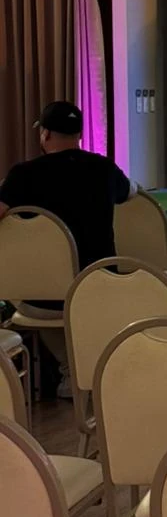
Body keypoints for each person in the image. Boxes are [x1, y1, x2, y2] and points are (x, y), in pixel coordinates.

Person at [0, 101, 136, 397]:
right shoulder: (104, 168)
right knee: (82, 302)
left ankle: (68, 369)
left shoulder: (23, 175)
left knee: (15, 289)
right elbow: (131, 193)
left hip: (43, 300)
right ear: (79, 135)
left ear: (46, 134)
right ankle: (93, 369)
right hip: (100, 288)